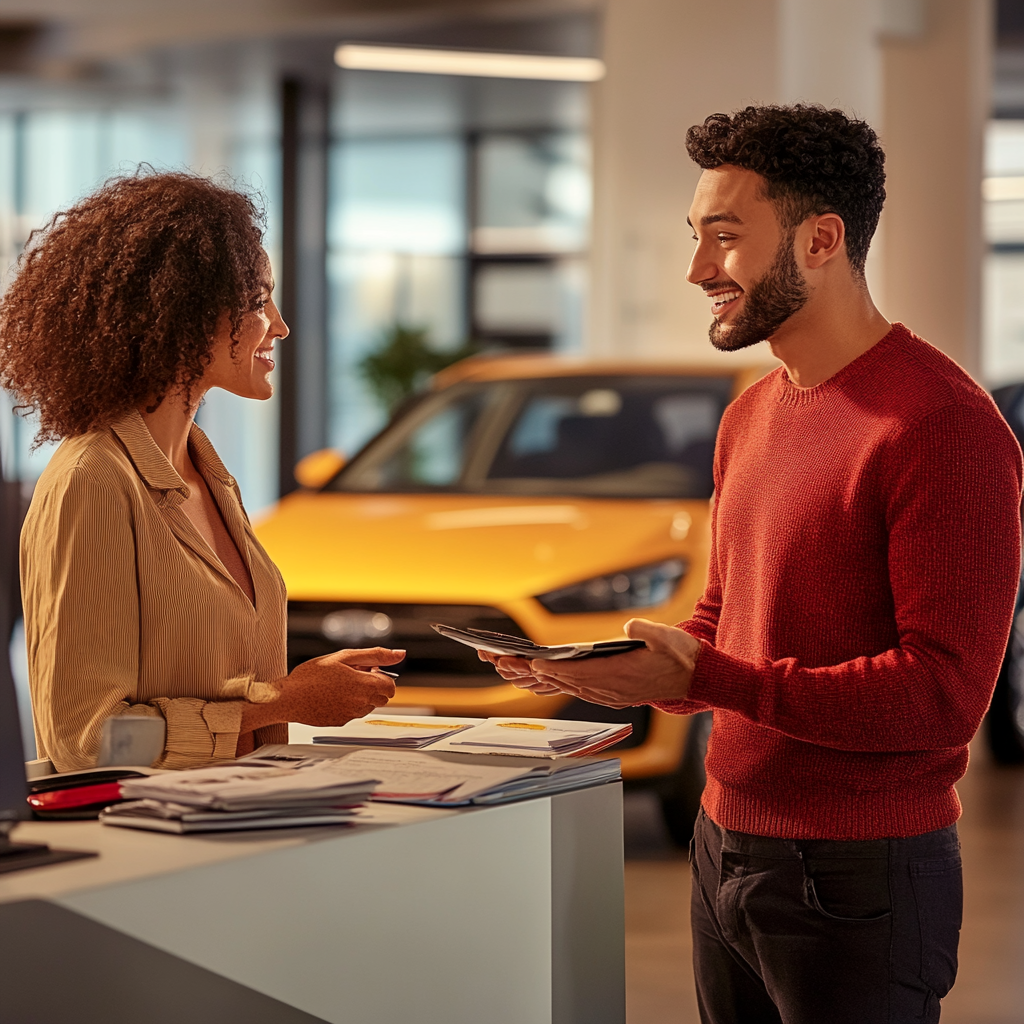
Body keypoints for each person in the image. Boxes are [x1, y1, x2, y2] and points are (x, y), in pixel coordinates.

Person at [482, 105, 1024, 1023]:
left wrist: (716, 676)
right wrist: (636, 673)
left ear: (821, 240)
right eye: (696, 237)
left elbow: (942, 695)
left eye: (725, 240)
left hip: (861, 874)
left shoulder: (943, 426)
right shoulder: (753, 414)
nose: (697, 270)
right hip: (723, 842)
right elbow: (724, 626)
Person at [1, 171, 403, 773]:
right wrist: (283, 704)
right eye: (256, 300)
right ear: (183, 313)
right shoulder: (93, 480)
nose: (280, 324)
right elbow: (84, 742)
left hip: (238, 824)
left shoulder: (206, 472)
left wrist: (290, 702)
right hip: (152, 849)